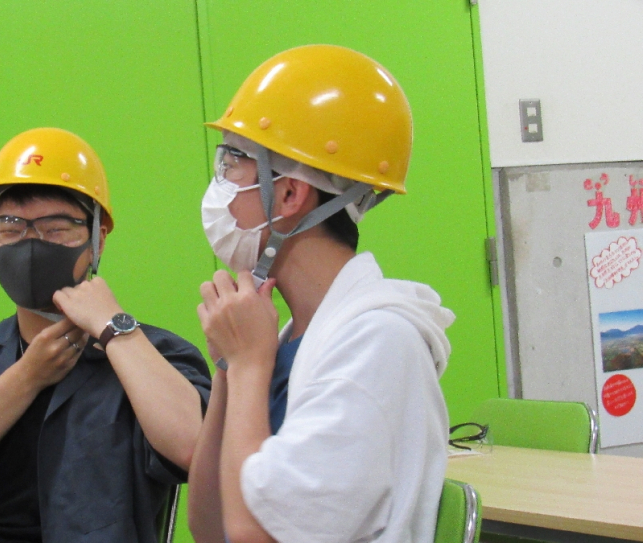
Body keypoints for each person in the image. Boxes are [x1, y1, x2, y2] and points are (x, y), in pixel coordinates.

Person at [187, 45, 455, 543]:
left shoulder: (377, 342)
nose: (218, 187)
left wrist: (247, 367)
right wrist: (228, 367)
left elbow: (253, 535)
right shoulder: (291, 337)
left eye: (232, 164)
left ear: (290, 194)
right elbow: (208, 527)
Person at [0, 127, 212, 542]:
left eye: (57, 228)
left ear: (97, 239)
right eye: (10, 227)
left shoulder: (156, 354)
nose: (31, 243)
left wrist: (116, 328)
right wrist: (27, 376)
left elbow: (195, 450)